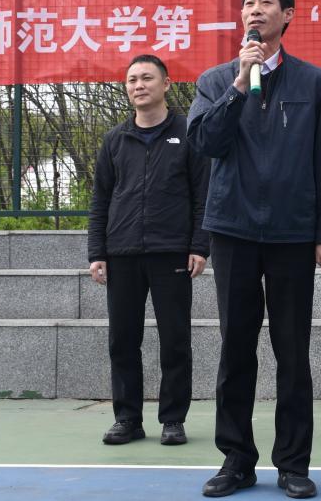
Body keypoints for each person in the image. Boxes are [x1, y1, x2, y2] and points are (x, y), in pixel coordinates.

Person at [187, 0, 321, 499]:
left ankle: (293, 464)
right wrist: (238, 83)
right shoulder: (214, 80)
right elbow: (205, 143)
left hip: (292, 233)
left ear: (287, 15)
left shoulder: (314, 83)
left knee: (292, 352)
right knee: (236, 349)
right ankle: (236, 460)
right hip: (232, 229)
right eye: (249, 3)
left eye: (266, 3)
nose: (255, 10)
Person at [87, 54, 210, 448]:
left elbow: (202, 195)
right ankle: (127, 419)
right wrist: (97, 252)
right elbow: (101, 199)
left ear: (166, 84)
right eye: (132, 80)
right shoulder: (115, 139)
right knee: (123, 340)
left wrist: (199, 245)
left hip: (171, 252)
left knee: (175, 340)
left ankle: (173, 419)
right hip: (121, 252)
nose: (138, 86)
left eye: (146, 78)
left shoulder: (187, 133)